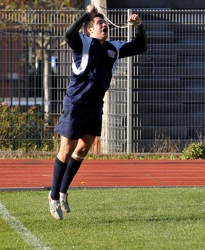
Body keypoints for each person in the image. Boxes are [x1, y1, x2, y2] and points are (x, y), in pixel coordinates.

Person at [48, 5, 147, 220]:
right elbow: (68, 34)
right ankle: (53, 196)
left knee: (83, 149)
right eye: (98, 23)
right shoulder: (82, 43)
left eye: (104, 23)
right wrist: (86, 14)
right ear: (89, 30)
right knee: (66, 149)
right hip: (76, 104)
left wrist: (139, 27)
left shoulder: (113, 48)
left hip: (95, 104)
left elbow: (140, 47)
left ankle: (64, 192)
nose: (104, 25)